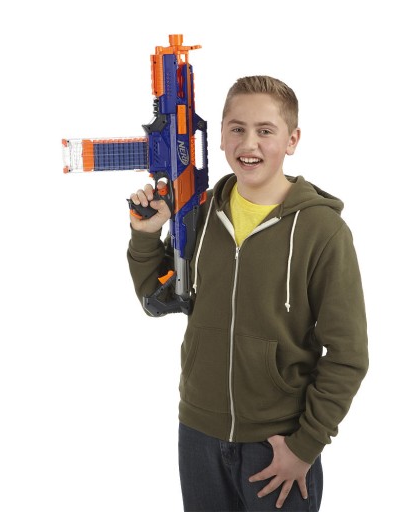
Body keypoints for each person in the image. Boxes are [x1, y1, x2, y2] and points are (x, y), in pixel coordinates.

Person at [127, 75, 369, 511]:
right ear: (219, 136)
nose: (249, 143)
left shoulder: (323, 231)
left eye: (265, 130)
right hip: (198, 434)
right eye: (237, 128)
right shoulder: (199, 212)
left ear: (292, 140)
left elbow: (348, 355)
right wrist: (146, 236)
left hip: (277, 444)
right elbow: (155, 298)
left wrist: (305, 446)